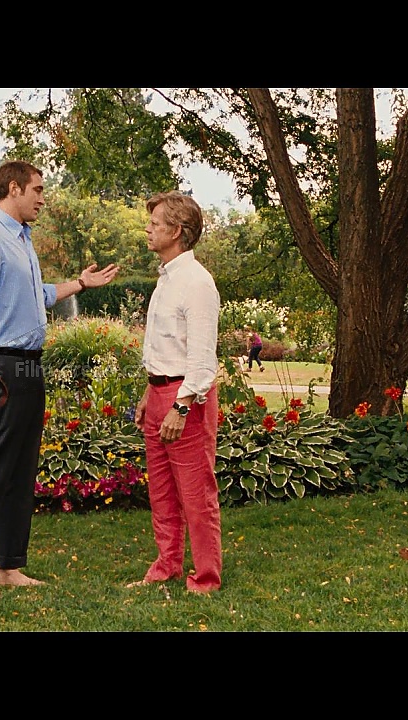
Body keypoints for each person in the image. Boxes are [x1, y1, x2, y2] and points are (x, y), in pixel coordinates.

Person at [0, 159, 119, 598]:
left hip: (28, 367)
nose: (43, 198)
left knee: (20, 472)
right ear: (13, 188)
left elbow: (38, 296)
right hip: (0, 367)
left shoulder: (23, 242)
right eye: (38, 190)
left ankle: (8, 567)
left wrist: (80, 284)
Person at [129, 191, 223, 594]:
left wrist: (180, 407)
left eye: (155, 223)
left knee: (196, 494)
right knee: (163, 491)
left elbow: (201, 358)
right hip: (159, 394)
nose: (147, 228)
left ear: (177, 231)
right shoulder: (166, 279)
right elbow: (166, 348)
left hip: (187, 400)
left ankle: (206, 577)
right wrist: (148, 395)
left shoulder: (197, 283)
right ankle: (167, 565)